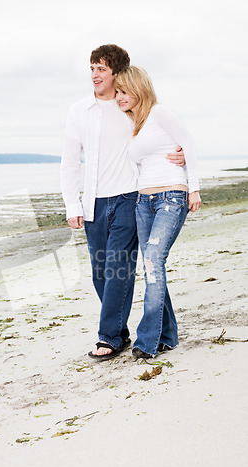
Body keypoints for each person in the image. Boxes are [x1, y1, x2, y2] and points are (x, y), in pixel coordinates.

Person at [60, 45, 186, 361]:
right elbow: (70, 162)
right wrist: (72, 205)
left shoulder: (131, 107)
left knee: (119, 269)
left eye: (101, 69)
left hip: (131, 198)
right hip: (93, 204)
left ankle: (110, 337)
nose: (94, 75)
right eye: (91, 68)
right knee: (101, 274)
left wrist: (180, 153)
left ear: (117, 73)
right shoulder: (79, 111)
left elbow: (164, 135)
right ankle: (166, 332)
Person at [114, 66, 201, 359]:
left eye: (123, 91)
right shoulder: (134, 125)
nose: (119, 97)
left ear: (138, 89)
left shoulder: (160, 113)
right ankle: (169, 336)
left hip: (171, 198)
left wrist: (194, 188)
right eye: (117, 93)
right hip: (143, 202)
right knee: (153, 268)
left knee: (152, 261)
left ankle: (146, 341)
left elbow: (188, 144)